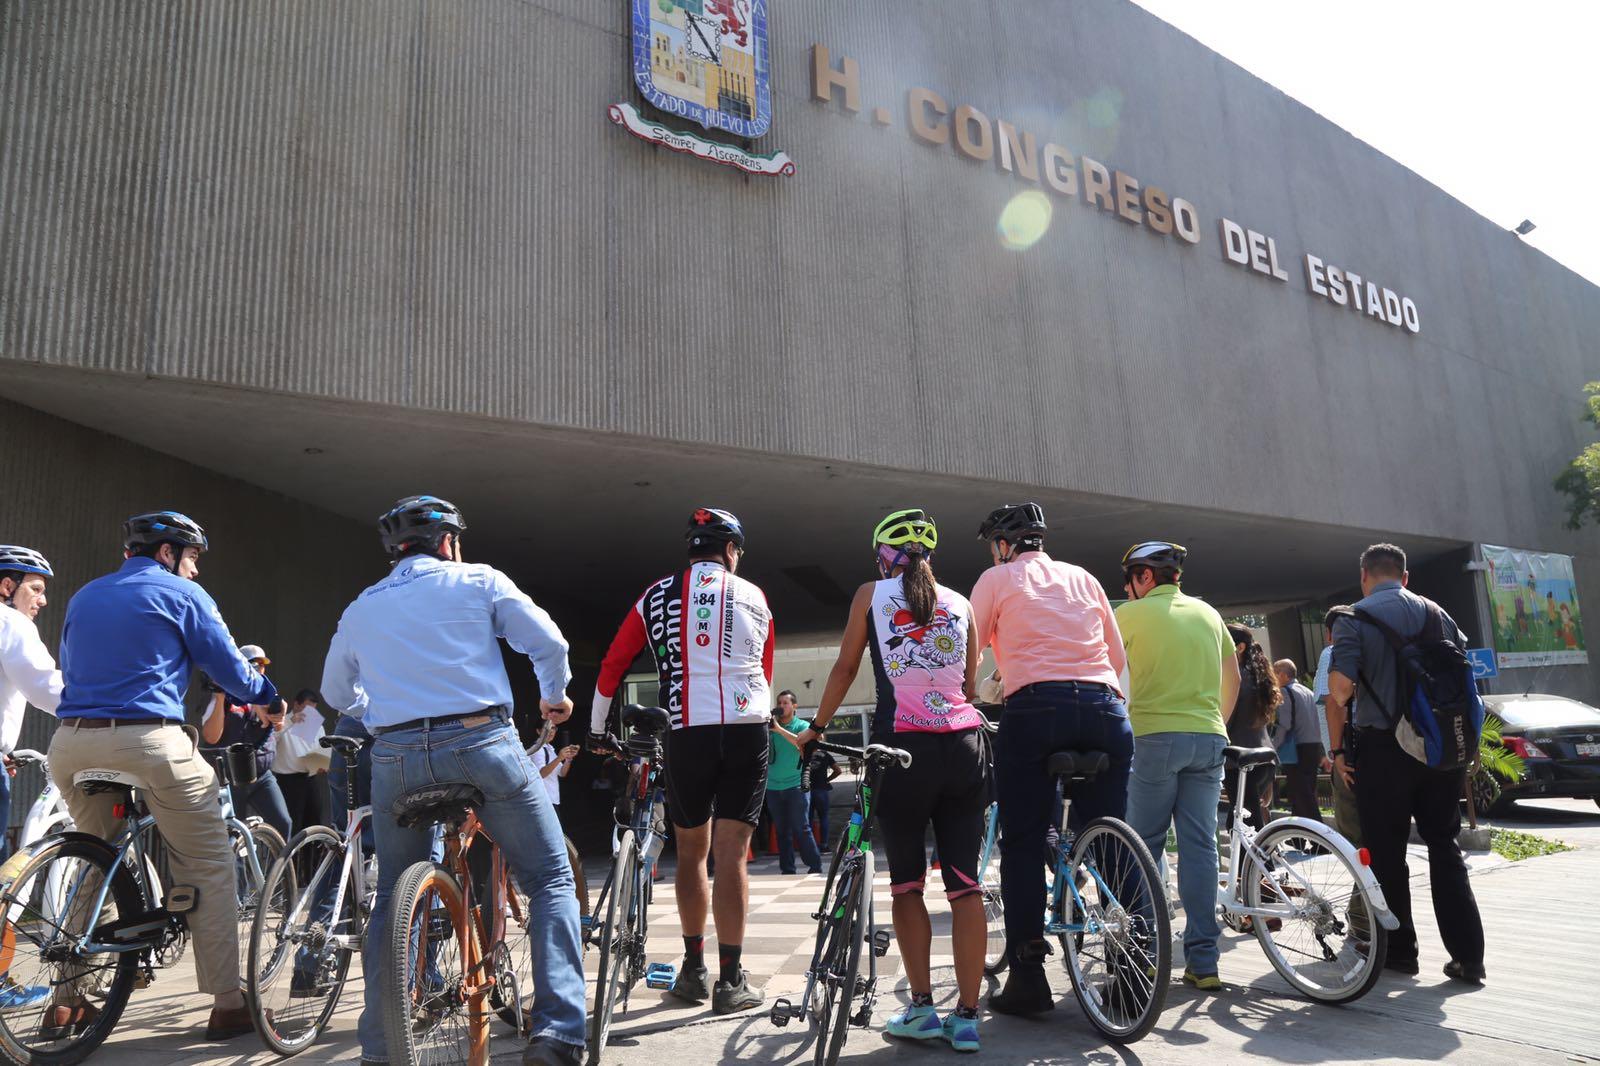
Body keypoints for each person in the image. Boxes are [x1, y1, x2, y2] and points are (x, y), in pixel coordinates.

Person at [320, 494, 585, 1066]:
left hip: (394, 756)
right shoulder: (479, 580)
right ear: (449, 542)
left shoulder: (361, 606)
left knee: (392, 893)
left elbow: (337, 693)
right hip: (480, 742)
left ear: (396, 552)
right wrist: (554, 696)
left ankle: (381, 1048)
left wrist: (380, 714)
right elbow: (549, 644)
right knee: (549, 878)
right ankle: (559, 1033)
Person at [51, 511, 280, 1040]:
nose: (195, 571)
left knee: (90, 854)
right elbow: (228, 669)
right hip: (149, 741)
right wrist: (268, 699)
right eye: (193, 558)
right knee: (207, 862)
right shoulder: (183, 596)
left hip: (71, 741)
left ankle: (65, 1000)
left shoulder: (84, 595)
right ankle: (227, 1003)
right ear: (167, 553)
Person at [795, 509, 986, 1052]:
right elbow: (968, 684)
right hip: (965, 747)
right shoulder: (962, 602)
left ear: (883, 556)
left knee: (907, 883)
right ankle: (968, 1019)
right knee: (964, 885)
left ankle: (922, 1009)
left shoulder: (869, 595)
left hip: (901, 750)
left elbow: (844, 668)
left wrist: (818, 728)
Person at [589, 507, 774, 1014]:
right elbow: (766, 669)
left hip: (685, 729)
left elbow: (612, 664)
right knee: (733, 851)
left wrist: (596, 726)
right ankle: (732, 979)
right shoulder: (755, 595)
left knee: (693, 851)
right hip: (745, 726)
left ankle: (693, 971)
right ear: (731, 551)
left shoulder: (655, 595)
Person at [968, 502, 1131, 1017]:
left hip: (1036, 708)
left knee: (1021, 839)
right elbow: (1117, 657)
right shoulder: (1083, 578)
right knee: (1112, 839)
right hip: (1106, 707)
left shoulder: (996, 579)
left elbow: (966, 652)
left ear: (1002, 545)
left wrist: (976, 692)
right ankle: (1131, 977)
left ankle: (1028, 976)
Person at [1326, 542, 1486, 985]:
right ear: (1405, 576)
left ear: (1364, 576)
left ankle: (1401, 952)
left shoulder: (1353, 618)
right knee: (1444, 846)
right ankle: (1469, 957)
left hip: (1385, 751)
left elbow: (1339, 690)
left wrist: (1340, 747)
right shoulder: (1440, 614)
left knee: (1388, 854)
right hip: (1439, 749)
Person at [1115, 541, 1240, 993]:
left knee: (1143, 845)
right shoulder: (1209, 614)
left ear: (1144, 577)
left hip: (1153, 737)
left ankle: (1145, 956)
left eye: (1129, 579)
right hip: (1209, 738)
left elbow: (1107, 674)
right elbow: (1234, 678)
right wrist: (1213, 725)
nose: (1127, 589)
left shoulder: (1128, 616)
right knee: (1201, 847)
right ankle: (1203, 962)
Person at [0, 545, 63, 866]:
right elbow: (45, 687)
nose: (43, 600)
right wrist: (102, 703)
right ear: (7, 587)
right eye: (35, 589)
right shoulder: (10, 621)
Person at [200, 644, 292, 840]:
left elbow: (278, 715)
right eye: (253, 664)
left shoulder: (264, 696)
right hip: (231, 778)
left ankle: (280, 869)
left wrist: (277, 714)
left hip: (261, 774)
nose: (259, 669)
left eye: (262, 665)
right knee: (234, 832)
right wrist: (220, 697)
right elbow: (211, 737)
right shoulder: (224, 698)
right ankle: (237, 871)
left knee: (284, 823)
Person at [1224, 624, 1280, 831]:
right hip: (1265, 759)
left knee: (1245, 826)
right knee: (1240, 822)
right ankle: (1259, 862)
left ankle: (1265, 864)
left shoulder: (1235, 677)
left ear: (1239, 647)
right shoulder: (1257, 676)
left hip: (1239, 760)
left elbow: (1226, 719)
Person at [1314, 605, 1360, 844]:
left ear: (1329, 633)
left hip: (1347, 747)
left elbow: (1332, 703)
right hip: (1378, 741)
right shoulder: (1369, 648)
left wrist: (1334, 753)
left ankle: (1363, 881)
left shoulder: (1331, 653)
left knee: (1352, 826)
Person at [767, 690, 823, 875]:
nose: (782, 706)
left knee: (802, 828)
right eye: (780, 703)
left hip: (796, 785)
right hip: (773, 787)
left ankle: (815, 866)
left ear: (794, 706)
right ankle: (787, 869)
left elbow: (801, 743)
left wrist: (778, 730)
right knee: (782, 831)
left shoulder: (802, 726)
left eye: (786, 703)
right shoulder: (770, 727)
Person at [1272, 660, 1323, 823]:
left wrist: (1273, 746)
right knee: (1303, 793)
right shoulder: (1307, 691)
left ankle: (1320, 841)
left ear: (1283, 675)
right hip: (1313, 746)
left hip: (1296, 749)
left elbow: (1284, 724)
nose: (1272, 675)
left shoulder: (1285, 692)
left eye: (1275, 672)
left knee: (1303, 796)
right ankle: (1297, 839)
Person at [274, 689, 330, 833]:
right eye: (306, 709)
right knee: (293, 822)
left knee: (314, 820)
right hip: (287, 780)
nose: (309, 714)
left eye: (313, 710)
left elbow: (321, 749)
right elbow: (272, 738)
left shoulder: (316, 725)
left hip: (309, 778)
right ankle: (291, 855)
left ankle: (313, 855)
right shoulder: (283, 721)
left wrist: (323, 764)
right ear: (296, 705)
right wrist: (290, 722)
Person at [807, 744, 841, 847]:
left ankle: (809, 845)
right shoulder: (826, 755)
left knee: (808, 819)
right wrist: (827, 780)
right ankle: (824, 845)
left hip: (806, 790)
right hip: (821, 789)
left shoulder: (802, 755)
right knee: (824, 818)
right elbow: (838, 770)